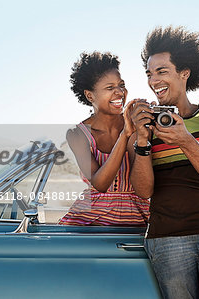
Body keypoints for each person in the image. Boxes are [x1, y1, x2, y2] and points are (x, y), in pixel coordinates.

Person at [128, 26, 199, 298]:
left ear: (184, 73)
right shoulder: (143, 127)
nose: (153, 80)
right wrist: (143, 141)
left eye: (161, 71)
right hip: (167, 240)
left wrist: (185, 140)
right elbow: (144, 191)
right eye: (149, 73)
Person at [59, 52, 149, 226]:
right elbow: (100, 183)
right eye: (110, 88)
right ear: (90, 95)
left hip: (137, 215)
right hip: (91, 218)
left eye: (121, 85)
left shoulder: (137, 124)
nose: (120, 93)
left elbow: (145, 188)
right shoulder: (77, 134)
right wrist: (125, 134)